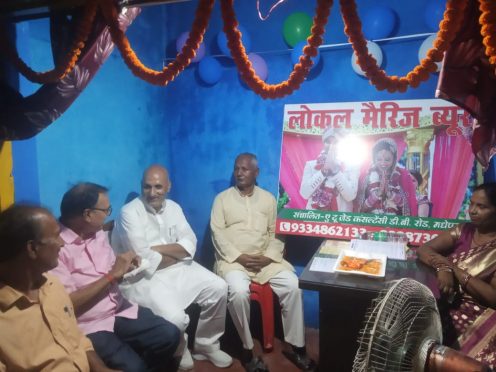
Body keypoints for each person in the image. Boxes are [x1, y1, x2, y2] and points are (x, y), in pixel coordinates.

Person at [112, 165, 232, 371]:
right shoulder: (129, 212)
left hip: (178, 268)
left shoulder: (174, 208)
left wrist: (158, 250)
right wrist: (176, 252)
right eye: (147, 187)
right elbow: (142, 259)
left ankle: (206, 345)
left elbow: (190, 242)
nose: (152, 193)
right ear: (141, 186)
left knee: (219, 286)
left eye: (158, 187)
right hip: (142, 278)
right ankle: (180, 347)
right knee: (175, 317)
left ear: (168, 186)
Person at [50, 183, 180, 372]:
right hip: (89, 325)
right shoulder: (56, 249)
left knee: (169, 335)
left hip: (118, 309)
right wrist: (112, 276)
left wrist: (125, 267)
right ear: (87, 215)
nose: (108, 214)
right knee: (134, 367)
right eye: (106, 210)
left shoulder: (96, 232)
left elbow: (113, 271)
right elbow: (66, 305)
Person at [211, 153, 316, 372]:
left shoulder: (268, 199)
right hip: (234, 262)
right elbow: (217, 233)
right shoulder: (222, 199)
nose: (239, 173)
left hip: (266, 260)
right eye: (236, 168)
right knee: (239, 292)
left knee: (293, 286)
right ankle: (247, 350)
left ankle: (297, 348)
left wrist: (267, 257)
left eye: (245, 169)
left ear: (256, 173)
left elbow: (276, 234)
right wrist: (239, 256)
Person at [0, 204, 116, 372]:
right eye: (56, 236)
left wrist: (100, 368)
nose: (62, 243)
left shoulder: (52, 286)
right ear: (32, 249)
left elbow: (76, 338)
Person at [417, 183, 496, 369]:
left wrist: (456, 270)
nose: (473, 211)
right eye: (471, 204)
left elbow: (493, 297)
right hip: (445, 304)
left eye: (482, 207)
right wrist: (442, 266)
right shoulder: (464, 231)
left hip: (478, 316)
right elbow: (424, 249)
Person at [299, 126, 359, 211]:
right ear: (323, 143)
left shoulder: (352, 166)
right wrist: (323, 172)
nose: (331, 146)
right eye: (328, 142)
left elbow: (350, 196)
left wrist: (335, 171)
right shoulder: (311, 165)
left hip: (340, 220)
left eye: (336, 142)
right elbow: (304, 193)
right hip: (314, 220)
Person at [356, 137, 417, 215]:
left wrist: (390, 194)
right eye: (379, 159)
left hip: (395, 223)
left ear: (394, 159)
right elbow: (360, 209)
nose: (383, 163)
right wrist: (378, 194)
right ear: (374, 159)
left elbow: (407, 210)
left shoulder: (401, 176)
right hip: (371, 223)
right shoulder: (367, 176)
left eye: (387, 160)